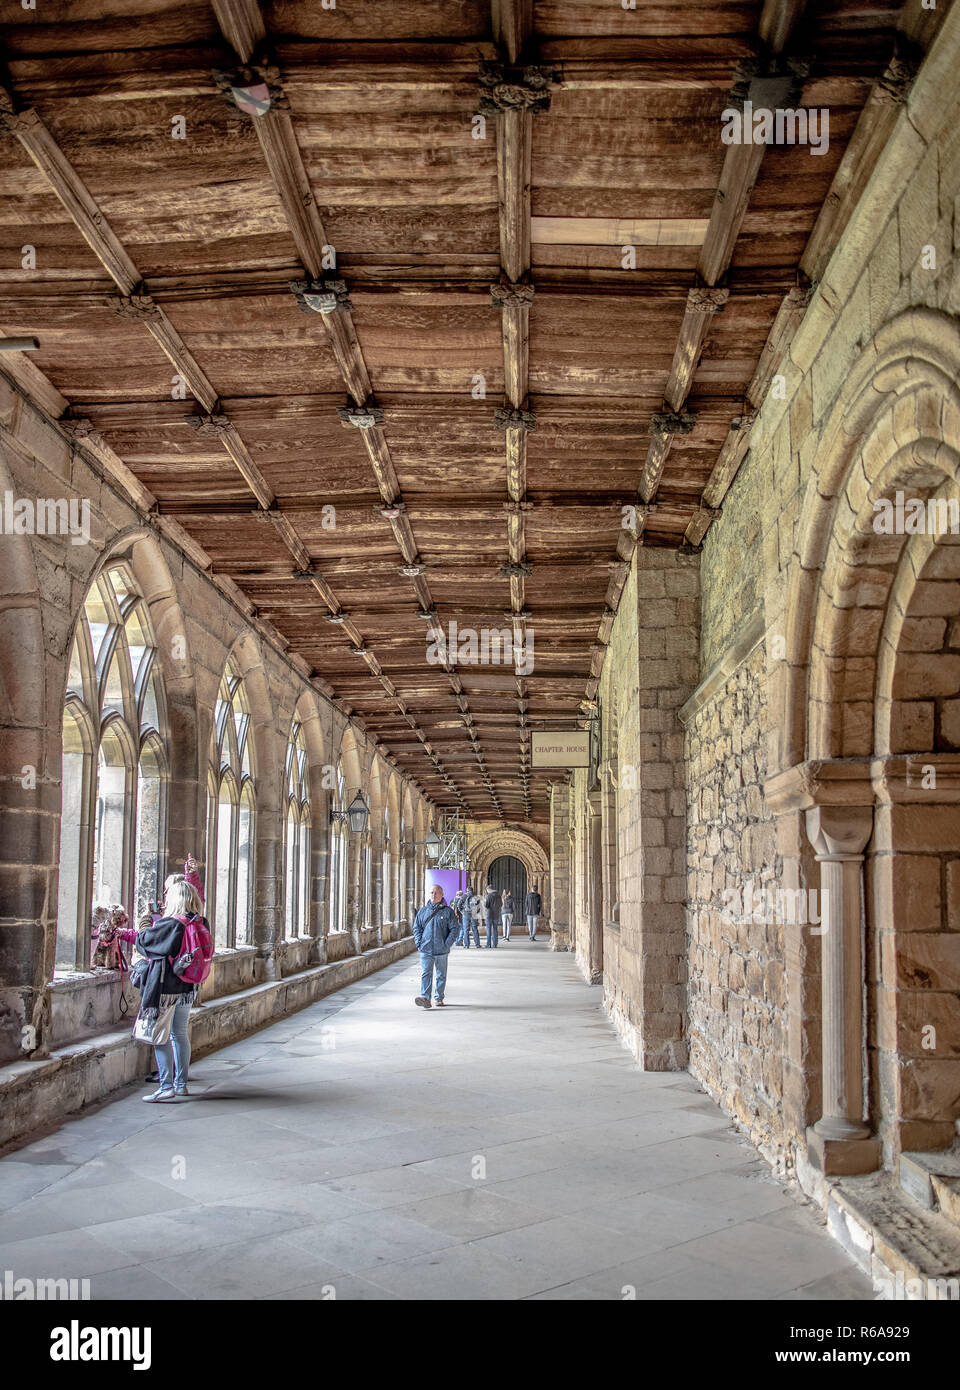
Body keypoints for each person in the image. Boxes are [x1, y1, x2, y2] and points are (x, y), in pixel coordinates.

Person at [119, 871, 211, 1102]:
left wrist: (141, 923)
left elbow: (145, 942)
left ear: (175, 899)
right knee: (180, 1034)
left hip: (167, 988)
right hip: (188, 987)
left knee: (159, 1036)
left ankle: (166, 1086)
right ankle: (181, 1085)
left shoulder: (171, 924)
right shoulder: (200, 922)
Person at [412, 884, 460, 1008]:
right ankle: (425, 998)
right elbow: (417, 927)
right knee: (426, 973)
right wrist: (419, 943)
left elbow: (455, 929)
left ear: (442, 894)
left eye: (436, 892)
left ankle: (439, 998)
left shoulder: (448, 912)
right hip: (426, 949)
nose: (433, 895)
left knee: (441, 975)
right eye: (431, 892)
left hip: (441, 950)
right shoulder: (423, 911)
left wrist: (447, 944)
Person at [483, 882, 500, 949]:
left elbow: (486, 905)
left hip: (489, 914)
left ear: (489, 889)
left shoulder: (488, 896)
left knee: (488, 929)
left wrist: (484, 902)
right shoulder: (498, 895)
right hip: (496, 914)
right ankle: (495, 944)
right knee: (495, 929)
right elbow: (501, 904)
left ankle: (488, 944)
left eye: (487, 890)